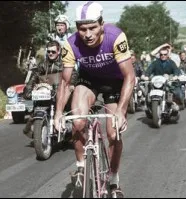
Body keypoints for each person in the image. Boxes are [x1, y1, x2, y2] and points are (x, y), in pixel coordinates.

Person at [53, 2, 134, 197]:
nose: (88, 34)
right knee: (78, 121)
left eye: (92, 28)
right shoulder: (71, 44)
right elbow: (65, 82)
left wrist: (121, 112)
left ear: (102, 24)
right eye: (82, 29)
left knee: (113, 133)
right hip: (89, 80)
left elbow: (130, 76)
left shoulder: (116, 37)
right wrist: (57, 114)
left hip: (114, 82)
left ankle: (113, 178)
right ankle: (81, 167)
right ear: (76, 28)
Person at [22, 40, 77, 138]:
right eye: (49, 51)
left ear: (59, 51)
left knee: (72, 109)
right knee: (34, 111)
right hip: (46, 92)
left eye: (53, 51)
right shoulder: (42, 65)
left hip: (61, 92)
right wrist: (28, 89)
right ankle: (31, 127)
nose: (50, 53)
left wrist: (72, 84)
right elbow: (34, 77)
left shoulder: (64, 63)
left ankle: (72, 126)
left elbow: (73, 74)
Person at [142, 48, 182, 116]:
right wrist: (145, 75)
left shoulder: (171, 62)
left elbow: (176, 70)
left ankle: (175, 105)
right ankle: (148, 106)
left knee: (177, 92)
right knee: (148, 91)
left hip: (168, 82)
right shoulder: (155, 63)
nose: (163, 56)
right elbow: (149, 69)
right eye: (161, 54)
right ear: (159, 55)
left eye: (165, 54)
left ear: (167, 55)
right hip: (157, 83)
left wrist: (175, 76)